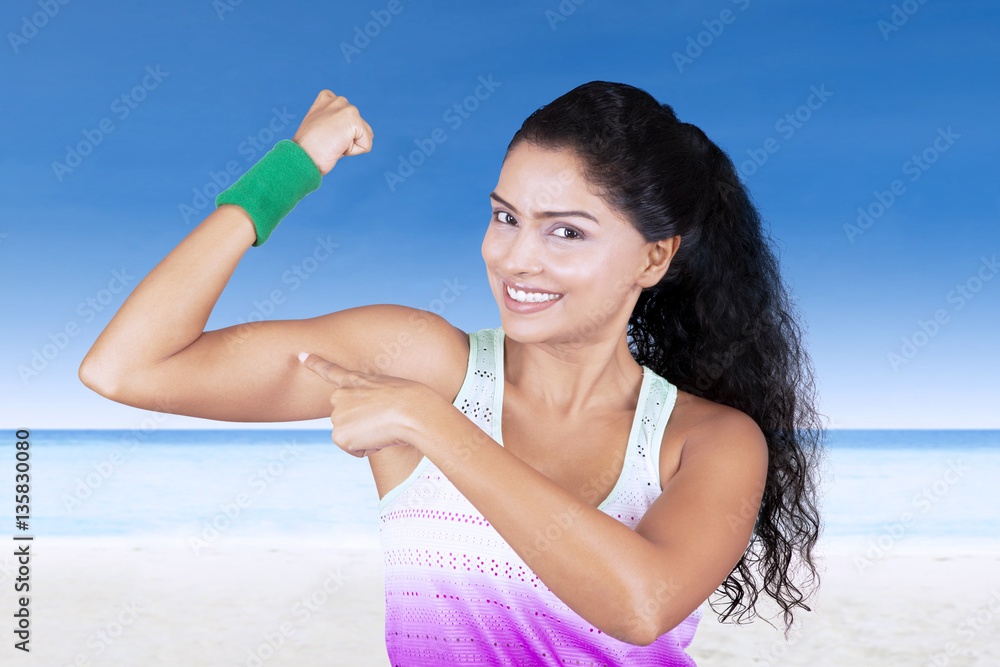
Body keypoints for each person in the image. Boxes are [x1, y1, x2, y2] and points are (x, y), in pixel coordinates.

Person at [79, 81, 825, 665]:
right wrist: (290, 170)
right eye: (506, 217)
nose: (515, 258)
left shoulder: (709, 441)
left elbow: (640, 602)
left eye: (566, 230)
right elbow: (126, 367)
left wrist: (430, 424)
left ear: (655, 256)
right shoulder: (422, 362)